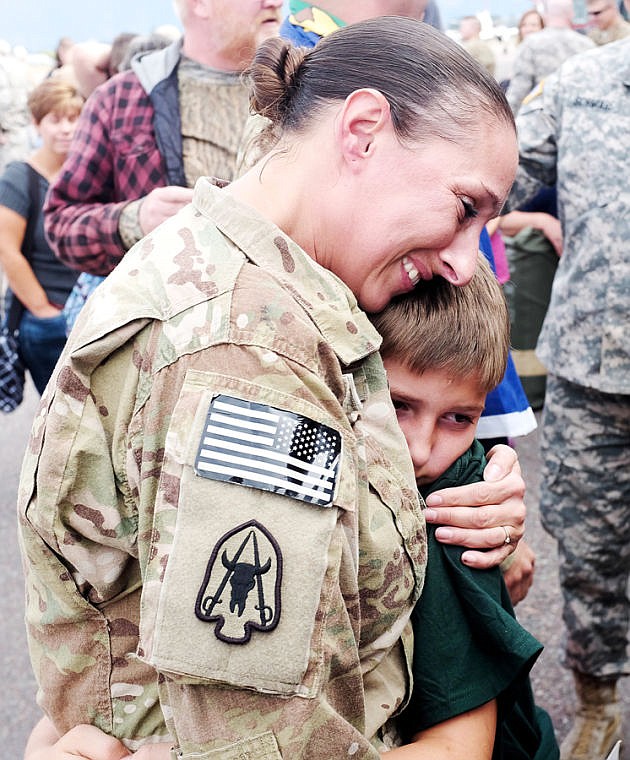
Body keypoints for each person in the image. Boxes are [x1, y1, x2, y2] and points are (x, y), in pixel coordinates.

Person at [19, 18, 525, 759]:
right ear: (362, 132)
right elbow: (259, 742)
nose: (464, 260)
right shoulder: (249, 349)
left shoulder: (245, 268)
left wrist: (474, 498)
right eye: (464, 208)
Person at [371, 258, 558, 760]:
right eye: (399, 404)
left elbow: (461, 747)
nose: (420, 449)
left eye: (459, 417)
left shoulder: (450, 511)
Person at [505, 36, 630, 760]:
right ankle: (599, 700)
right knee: (587, 548)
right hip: (592, 372)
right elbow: (494, 176)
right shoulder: (580, 84)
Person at [44, 0, 283, 279]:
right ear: (200, 4)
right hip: (173, 310)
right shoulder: (121, 99)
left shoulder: (306, 89)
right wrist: (134, 220)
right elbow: (60, 221)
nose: (276, 2)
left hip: (294, 313)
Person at [0, 78, 83, 395]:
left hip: (86, 317)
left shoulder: (84, 173)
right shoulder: (20, 178)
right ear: (37, 125)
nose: (66, 129)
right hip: (49, 321)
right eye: (55, 119)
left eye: (73, 118)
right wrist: (46, 314)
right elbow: (8, 253)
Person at [506, 0, 595, 115]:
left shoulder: (530, 44)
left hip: (539, 117)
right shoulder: (586, 45)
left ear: (544, 15)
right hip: (576, 116)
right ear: (572, 14)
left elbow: (519, 90)